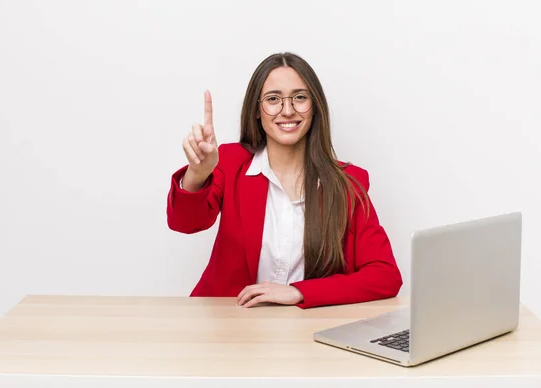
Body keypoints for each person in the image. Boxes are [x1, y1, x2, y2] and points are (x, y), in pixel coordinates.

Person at [166, 52, 402, 309]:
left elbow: (385, 276)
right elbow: (184, 223)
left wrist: (299, 292)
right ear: (257, 110)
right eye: (273, 99)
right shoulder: (231, 162)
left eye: (300, 98)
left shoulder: (347, 183)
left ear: (315, 107)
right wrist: (198, 174)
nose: (287, 110)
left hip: (302, 332)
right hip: (225, 325)